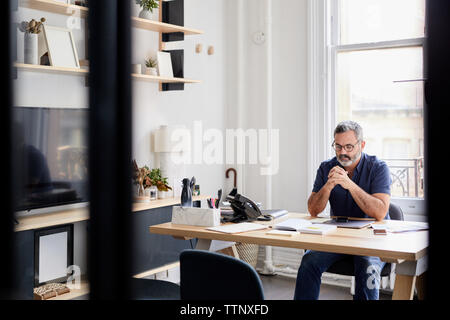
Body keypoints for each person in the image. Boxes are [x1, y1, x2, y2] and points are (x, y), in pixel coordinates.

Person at [294, 121, 392, 300]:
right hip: (337, 236)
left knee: (367, 264)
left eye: (348, 146)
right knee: (309, 261)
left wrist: (350, 185)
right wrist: (328, 186)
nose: (342, 152)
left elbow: (380, 212)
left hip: (371, 239)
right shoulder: (326, 167)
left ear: (361, 145)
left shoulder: (378, 168)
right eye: (338, 146)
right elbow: (313, 210)